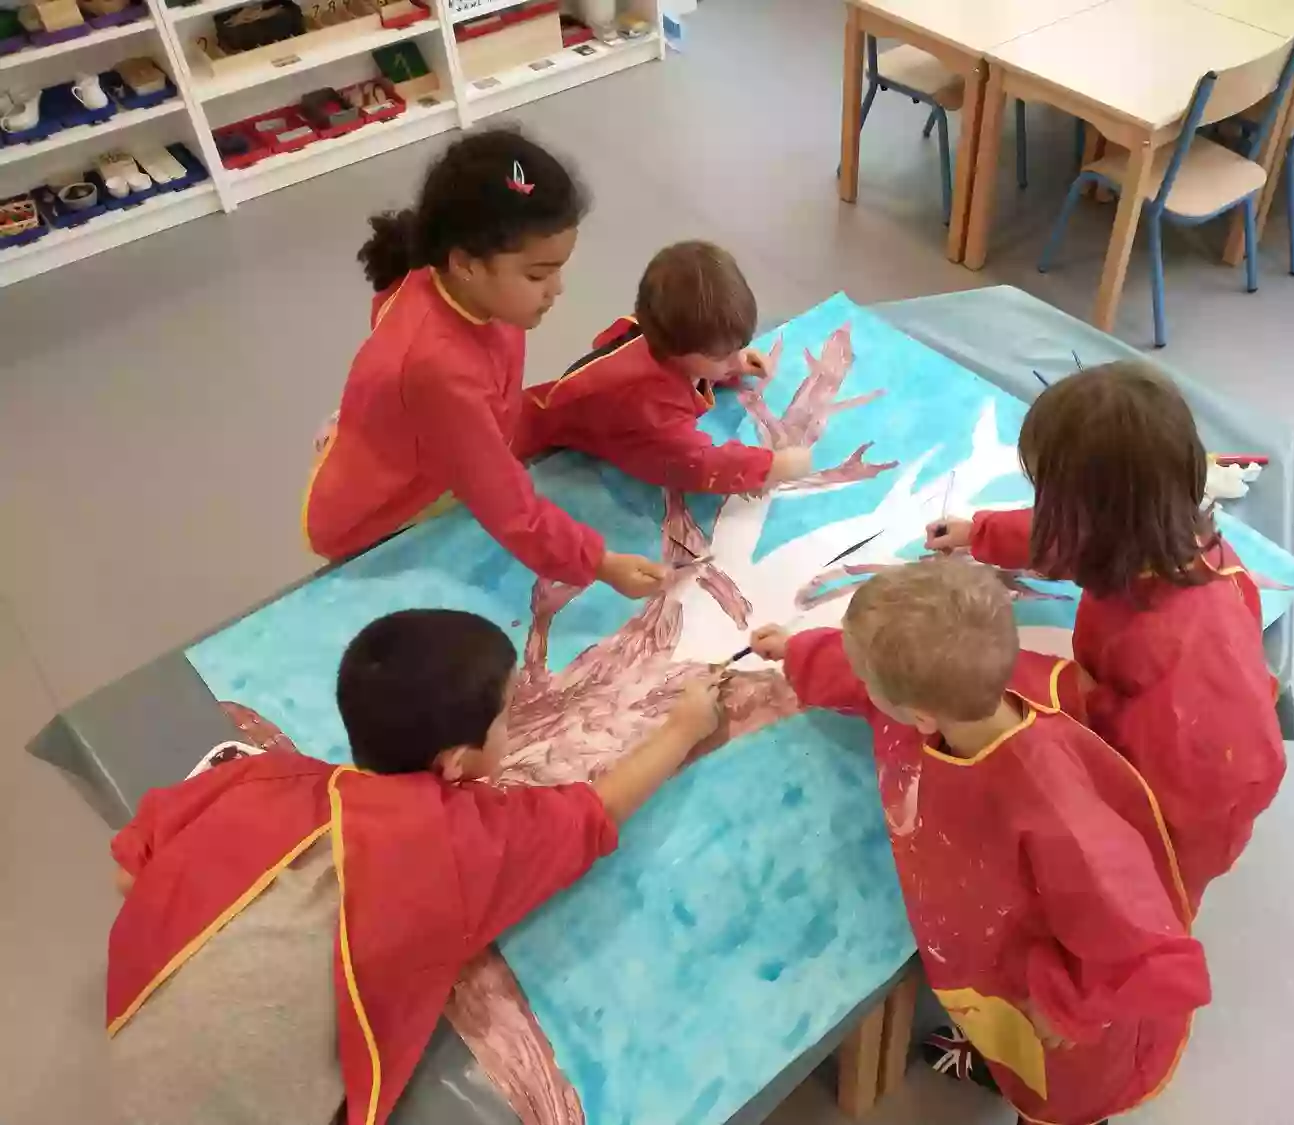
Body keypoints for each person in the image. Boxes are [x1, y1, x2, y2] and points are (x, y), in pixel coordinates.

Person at [107, 609, 721, 1125]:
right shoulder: (462, 845)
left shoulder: (256, 777)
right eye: (509, 715)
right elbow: (598, 811)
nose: (518, 717)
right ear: (454, 763)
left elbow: (129, 874)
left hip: (123, 1061)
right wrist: (685, 726)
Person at [749, 558, 1211, 1125]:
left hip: (1066, 1020)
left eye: (868, 678)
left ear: (918, 714)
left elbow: (1155, 958)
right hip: (991, 968)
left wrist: (1068, 1009)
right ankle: (998, 1062)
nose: (863, 687)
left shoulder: (1057, 811)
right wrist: (793, 652)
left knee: (1055, 1100)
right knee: (1009, 1047)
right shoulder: (957, 691)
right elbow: (861, 680)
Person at [926, 361, 1285, 912]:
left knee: (1126, 900)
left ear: (1095, 515)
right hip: (1194, 750)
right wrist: (983, 533)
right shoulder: (1159, 532)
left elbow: (1135, 765)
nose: (1045, 508)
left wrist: (1020, 677)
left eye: (1049, 494)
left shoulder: (1177, 653)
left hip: (1182, 815)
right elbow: (1068, 536)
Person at [302, 128, 664, 599]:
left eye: (558, 268)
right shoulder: (438, 368)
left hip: (421, 445)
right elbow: (505, 502)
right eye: (538, 274)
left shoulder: (456, 285)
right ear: (467, 264)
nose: (557, 290)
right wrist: (600, 562)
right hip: (382, 513)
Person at [524, 241, 812, 493]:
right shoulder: (649, 401)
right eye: (722, 354)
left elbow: (697, 360)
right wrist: (773, 467)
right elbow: (695, 464)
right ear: (680, 349)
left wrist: (730, 363)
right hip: (526, 446)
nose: (736, 359)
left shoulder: (659, 328)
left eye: (736, 349)